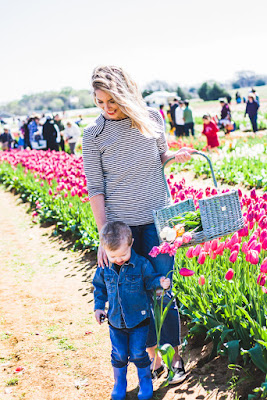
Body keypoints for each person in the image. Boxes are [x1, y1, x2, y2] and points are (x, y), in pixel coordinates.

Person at [82, 65, 194, 385]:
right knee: (134, 298)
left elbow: (159, 158)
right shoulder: (94, 135)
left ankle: (172, 360)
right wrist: (105, 237)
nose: (106, 109)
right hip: (122, 230)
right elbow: (96, 188)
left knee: (162, 291)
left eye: (111, 102)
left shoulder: (152, 118)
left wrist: (175, 156)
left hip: (160, 221)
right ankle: (151, 358)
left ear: (125, 94)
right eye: (99, 103)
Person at [93, 221, 171, 400]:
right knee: (119, 354)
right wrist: (98, 308)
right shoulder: (105, 268)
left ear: (131, 244)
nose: (119, 259)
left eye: (123, 254)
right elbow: (99, 288)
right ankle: (119, 383)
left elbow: (149, 280)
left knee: (138, 353)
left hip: (139, 321)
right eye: (113, 256)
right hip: (115, 321)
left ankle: (145, 381)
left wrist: (160, 281)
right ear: (105, 250)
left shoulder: (141, 264)